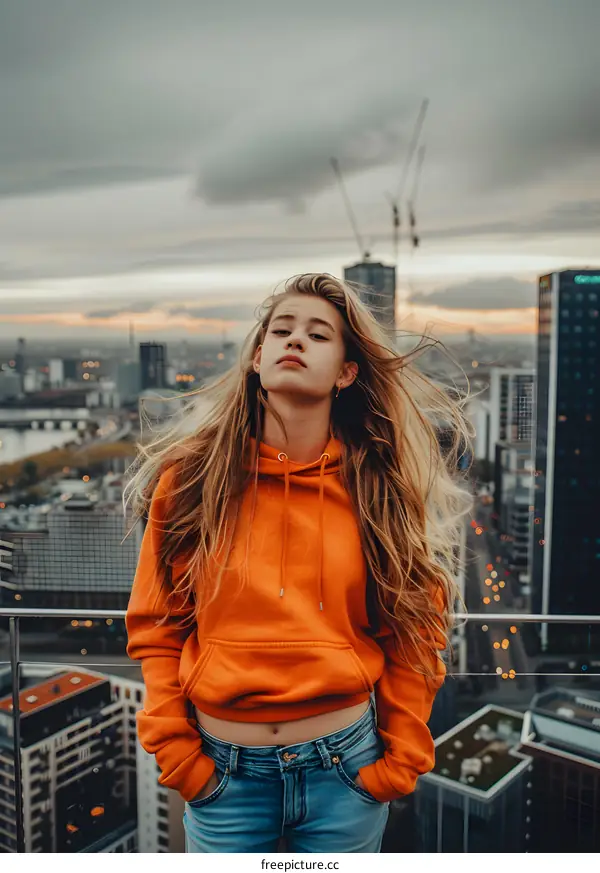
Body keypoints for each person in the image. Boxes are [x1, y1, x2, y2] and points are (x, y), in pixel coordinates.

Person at [125, 273, 472, 853]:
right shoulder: (190, 482)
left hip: (345, 773)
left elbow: (414, 630)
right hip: (222, 777)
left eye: (318, 334)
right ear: (257, 359)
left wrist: (399, 761)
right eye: (281, 331)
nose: (295, 341)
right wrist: (181, 756)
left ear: (346, 371)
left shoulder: (377, 486)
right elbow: (157, 626)